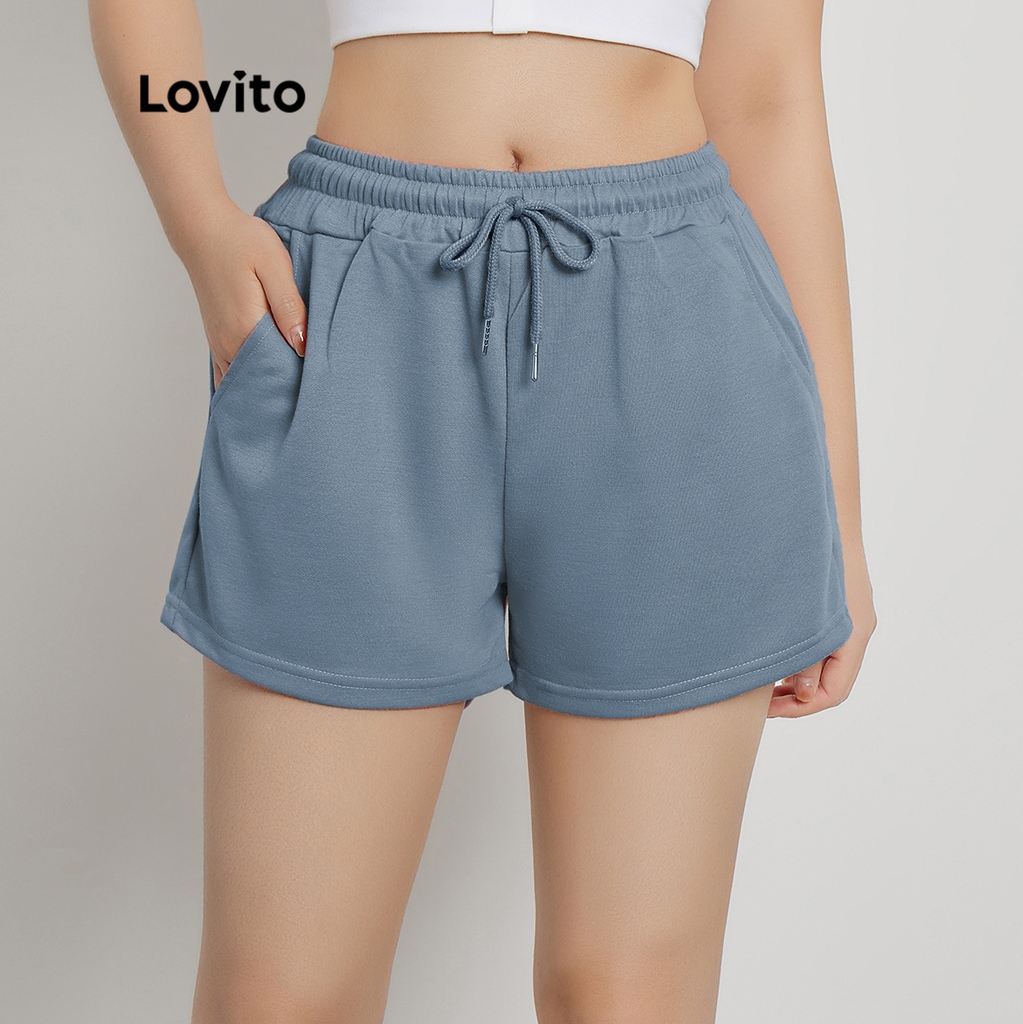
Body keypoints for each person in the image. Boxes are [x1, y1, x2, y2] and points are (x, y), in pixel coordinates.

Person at [91, 0, 877, 1020]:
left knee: (628, 994)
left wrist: (840, 514)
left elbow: (767, 96)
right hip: (352, 307)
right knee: (278, 995)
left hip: (677, 324)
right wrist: (199, 222)